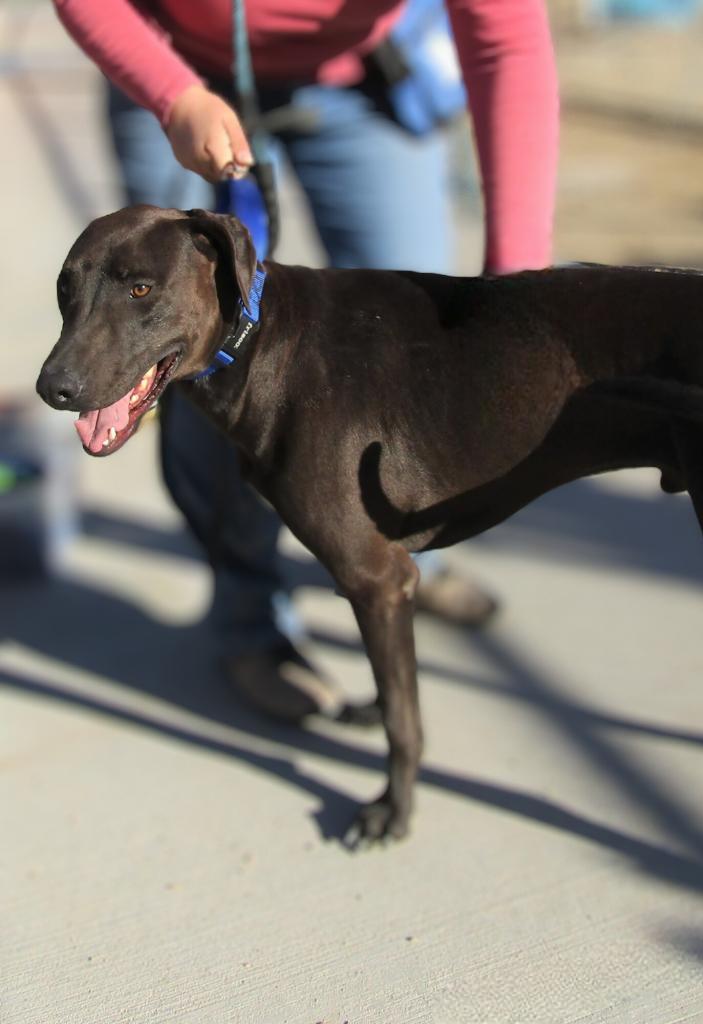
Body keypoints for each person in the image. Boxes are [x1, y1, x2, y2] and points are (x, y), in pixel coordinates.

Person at [52, 0, 559, 721]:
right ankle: (251, 623)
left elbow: (508, 42)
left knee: (423, 342)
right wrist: (175, 97)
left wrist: (518, 284)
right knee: (201, 361)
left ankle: (414, 552)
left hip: (355, 79)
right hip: (176, 70)